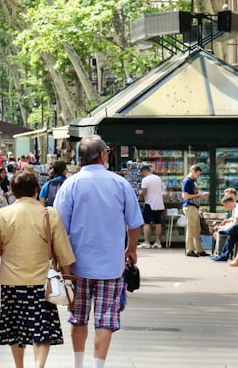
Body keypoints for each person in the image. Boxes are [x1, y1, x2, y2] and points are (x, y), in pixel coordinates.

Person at [54, 136, 143, 368]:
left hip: (77, 266)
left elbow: (58, 226)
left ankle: (77, 364)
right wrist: (131, 248)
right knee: (105, 320)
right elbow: (134, 222)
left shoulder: (70, 185)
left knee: (78, 317)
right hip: (111, 266)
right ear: (103, 155)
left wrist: (60, 261)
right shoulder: (120, 184)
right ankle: (98, 366)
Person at [0, 169, 75, 368]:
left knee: (15, 329)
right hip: (42, 284)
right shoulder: (48, 214)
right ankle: (39, 366)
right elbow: (63, 251)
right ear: (36, 190)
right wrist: (68, 276)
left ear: (14, 191)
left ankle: (19, 366)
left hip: (11, 282)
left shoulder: (3, 214)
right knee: (42, 329)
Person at [209, 195, 238, 261]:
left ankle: (221, 254)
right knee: (231, 236)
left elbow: (236, 222)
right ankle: (223, 255)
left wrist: (223, 228)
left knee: (229, 231)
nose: (225, 208)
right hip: (236, 230)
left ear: (229, 203)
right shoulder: (235, 209)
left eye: (225, 205)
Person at [181, 165, 209, 257]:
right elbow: (185, 196)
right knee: (191, 229)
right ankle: (189, 250)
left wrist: (199, 194)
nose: (198, 176)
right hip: (190, 206)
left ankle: (199, 249)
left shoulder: (193, 181)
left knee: (197, 229)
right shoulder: (187, 181)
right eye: (197, 174)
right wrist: (199, 195)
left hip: (194, 207)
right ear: (192, 171)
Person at [137, 164, 164, 248]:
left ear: (144, 171)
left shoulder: (145, 180)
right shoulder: (158, 178)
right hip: (159, 203)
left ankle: (147, 242)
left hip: (150, 203)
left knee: (146, 223)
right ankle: (158, 242)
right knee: (158, 223)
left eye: (142, 173)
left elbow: (144, 193)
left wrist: (139, 193)